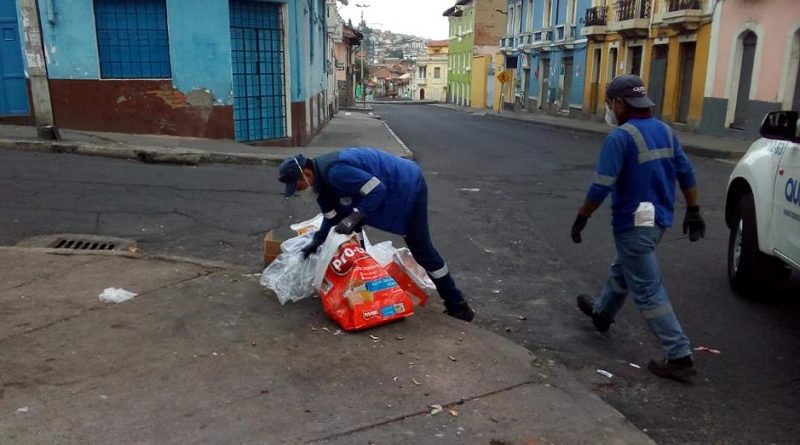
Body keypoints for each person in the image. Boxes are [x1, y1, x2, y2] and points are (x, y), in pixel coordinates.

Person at [570, 74, 706, 381]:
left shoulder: (619, 138)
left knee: (647, 288)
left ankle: (679, 355)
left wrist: (582, 217)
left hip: (633, 222)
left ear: (620, 103)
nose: (609, 109)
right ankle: (602, 314)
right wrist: (694, 210)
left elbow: (601, 186)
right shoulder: (666, 132)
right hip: (656, 220)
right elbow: (687, 173)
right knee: (626, 267)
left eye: (609, 103)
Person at [277, 148, 475, 322]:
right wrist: (316, 241)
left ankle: (458, 305)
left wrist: (352, 219)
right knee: (350, 225)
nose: (298, 192)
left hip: (407, 185)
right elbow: (331, 217)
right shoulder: (320, 186)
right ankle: (365, 285)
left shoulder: (336, 172)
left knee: (422, 249)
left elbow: (377, 189)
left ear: (307, 174)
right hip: (392, 187)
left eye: (298, 187)